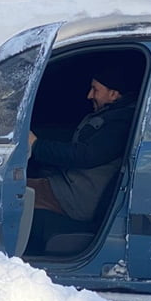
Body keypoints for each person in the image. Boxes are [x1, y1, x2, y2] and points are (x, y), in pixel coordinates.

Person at [26, 67, 137, 251]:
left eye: (95, 89)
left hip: (76, 197)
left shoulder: (121, 122)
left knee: (14, 192)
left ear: (113, 94)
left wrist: (37, 145)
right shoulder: (110, 114)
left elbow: (84, 155)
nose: (89, 95)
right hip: (70, 186)